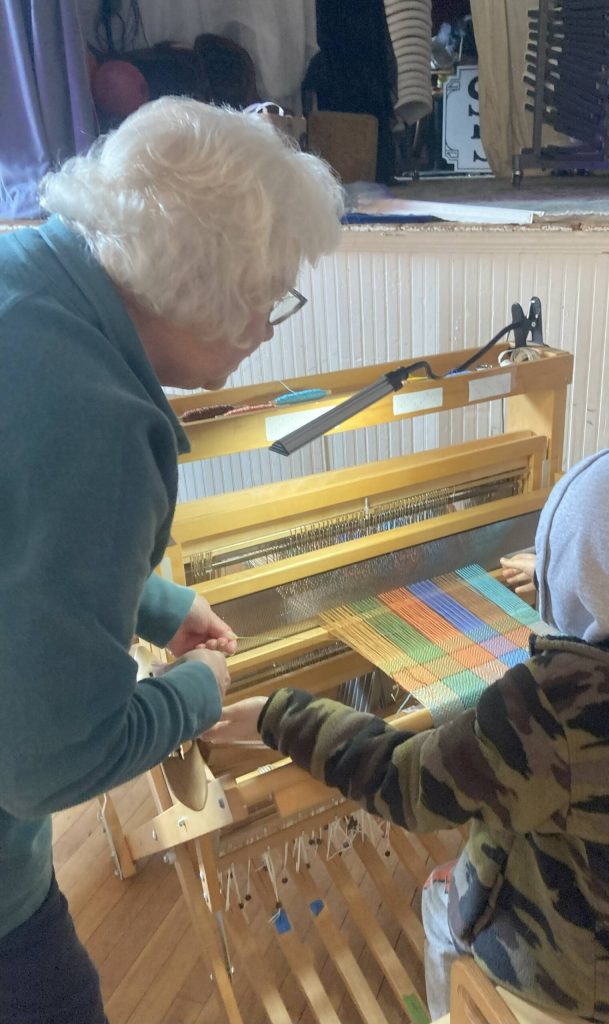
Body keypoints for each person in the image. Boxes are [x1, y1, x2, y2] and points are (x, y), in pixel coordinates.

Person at [206, 446, 609, 1024]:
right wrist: (557, 572)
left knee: (435, 896)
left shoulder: (552, 704)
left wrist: (278, 716)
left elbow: (403, 780)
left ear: (579, 572)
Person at [0, 96, 342, 1024]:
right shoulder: (102, 425)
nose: (271, 321)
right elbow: (46, 764)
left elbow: (20, 533)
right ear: (212, 290)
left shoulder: (23, 275)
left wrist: (150, 602)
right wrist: (197, 689)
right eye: (270, 297)